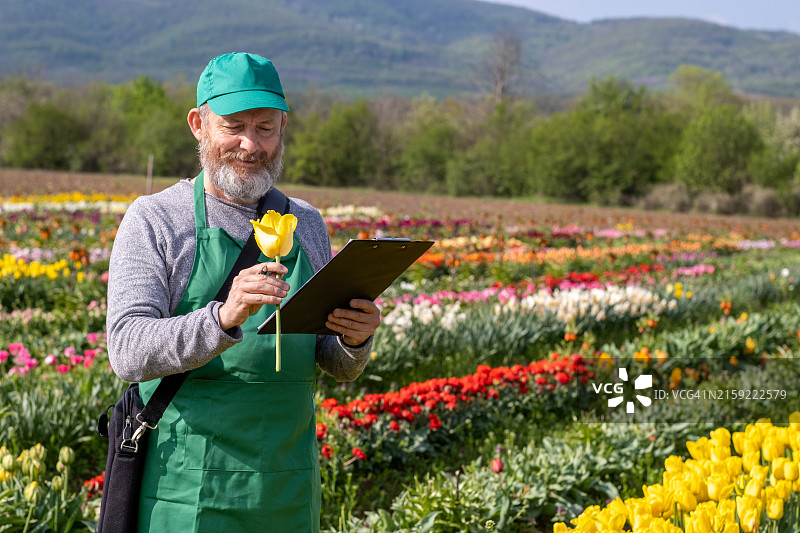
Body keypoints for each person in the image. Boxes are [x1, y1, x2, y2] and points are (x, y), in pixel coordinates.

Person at [106, 52, 381, 532]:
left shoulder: (307, 224)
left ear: (283, 127)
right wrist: (222, 318)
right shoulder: (155, 220)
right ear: (199, 124)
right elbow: (127, 350)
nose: (250, 144)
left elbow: (334, 362)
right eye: (233, 126)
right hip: (187, 490)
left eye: (266, 127)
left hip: (287, 490)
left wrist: (353, 339)